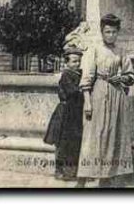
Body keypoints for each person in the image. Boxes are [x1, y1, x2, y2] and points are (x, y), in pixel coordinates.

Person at [76, 13, 134, 187]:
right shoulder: (94, 50)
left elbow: (130, 75)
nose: (111, 35)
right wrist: (87, 102)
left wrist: (122, 79)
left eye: (114, 32)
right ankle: (84, 178)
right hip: (99, 94)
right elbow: (87, 78)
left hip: (117, 96)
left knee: (114, 135)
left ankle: (107, 177)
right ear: (102, 32)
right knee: (95, 135)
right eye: (107, 32)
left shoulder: (121, 51)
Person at [43, 49, 84, 182]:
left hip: (74, 111)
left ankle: (70, 171)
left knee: (73, 141)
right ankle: (61, 171)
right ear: (67, 63)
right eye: (74, 61)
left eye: (79, 61)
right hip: (66, 112)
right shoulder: (67, 75)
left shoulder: (78, 74)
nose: (77, 64)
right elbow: (73, 91)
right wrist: (83, 89)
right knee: (63, 141)